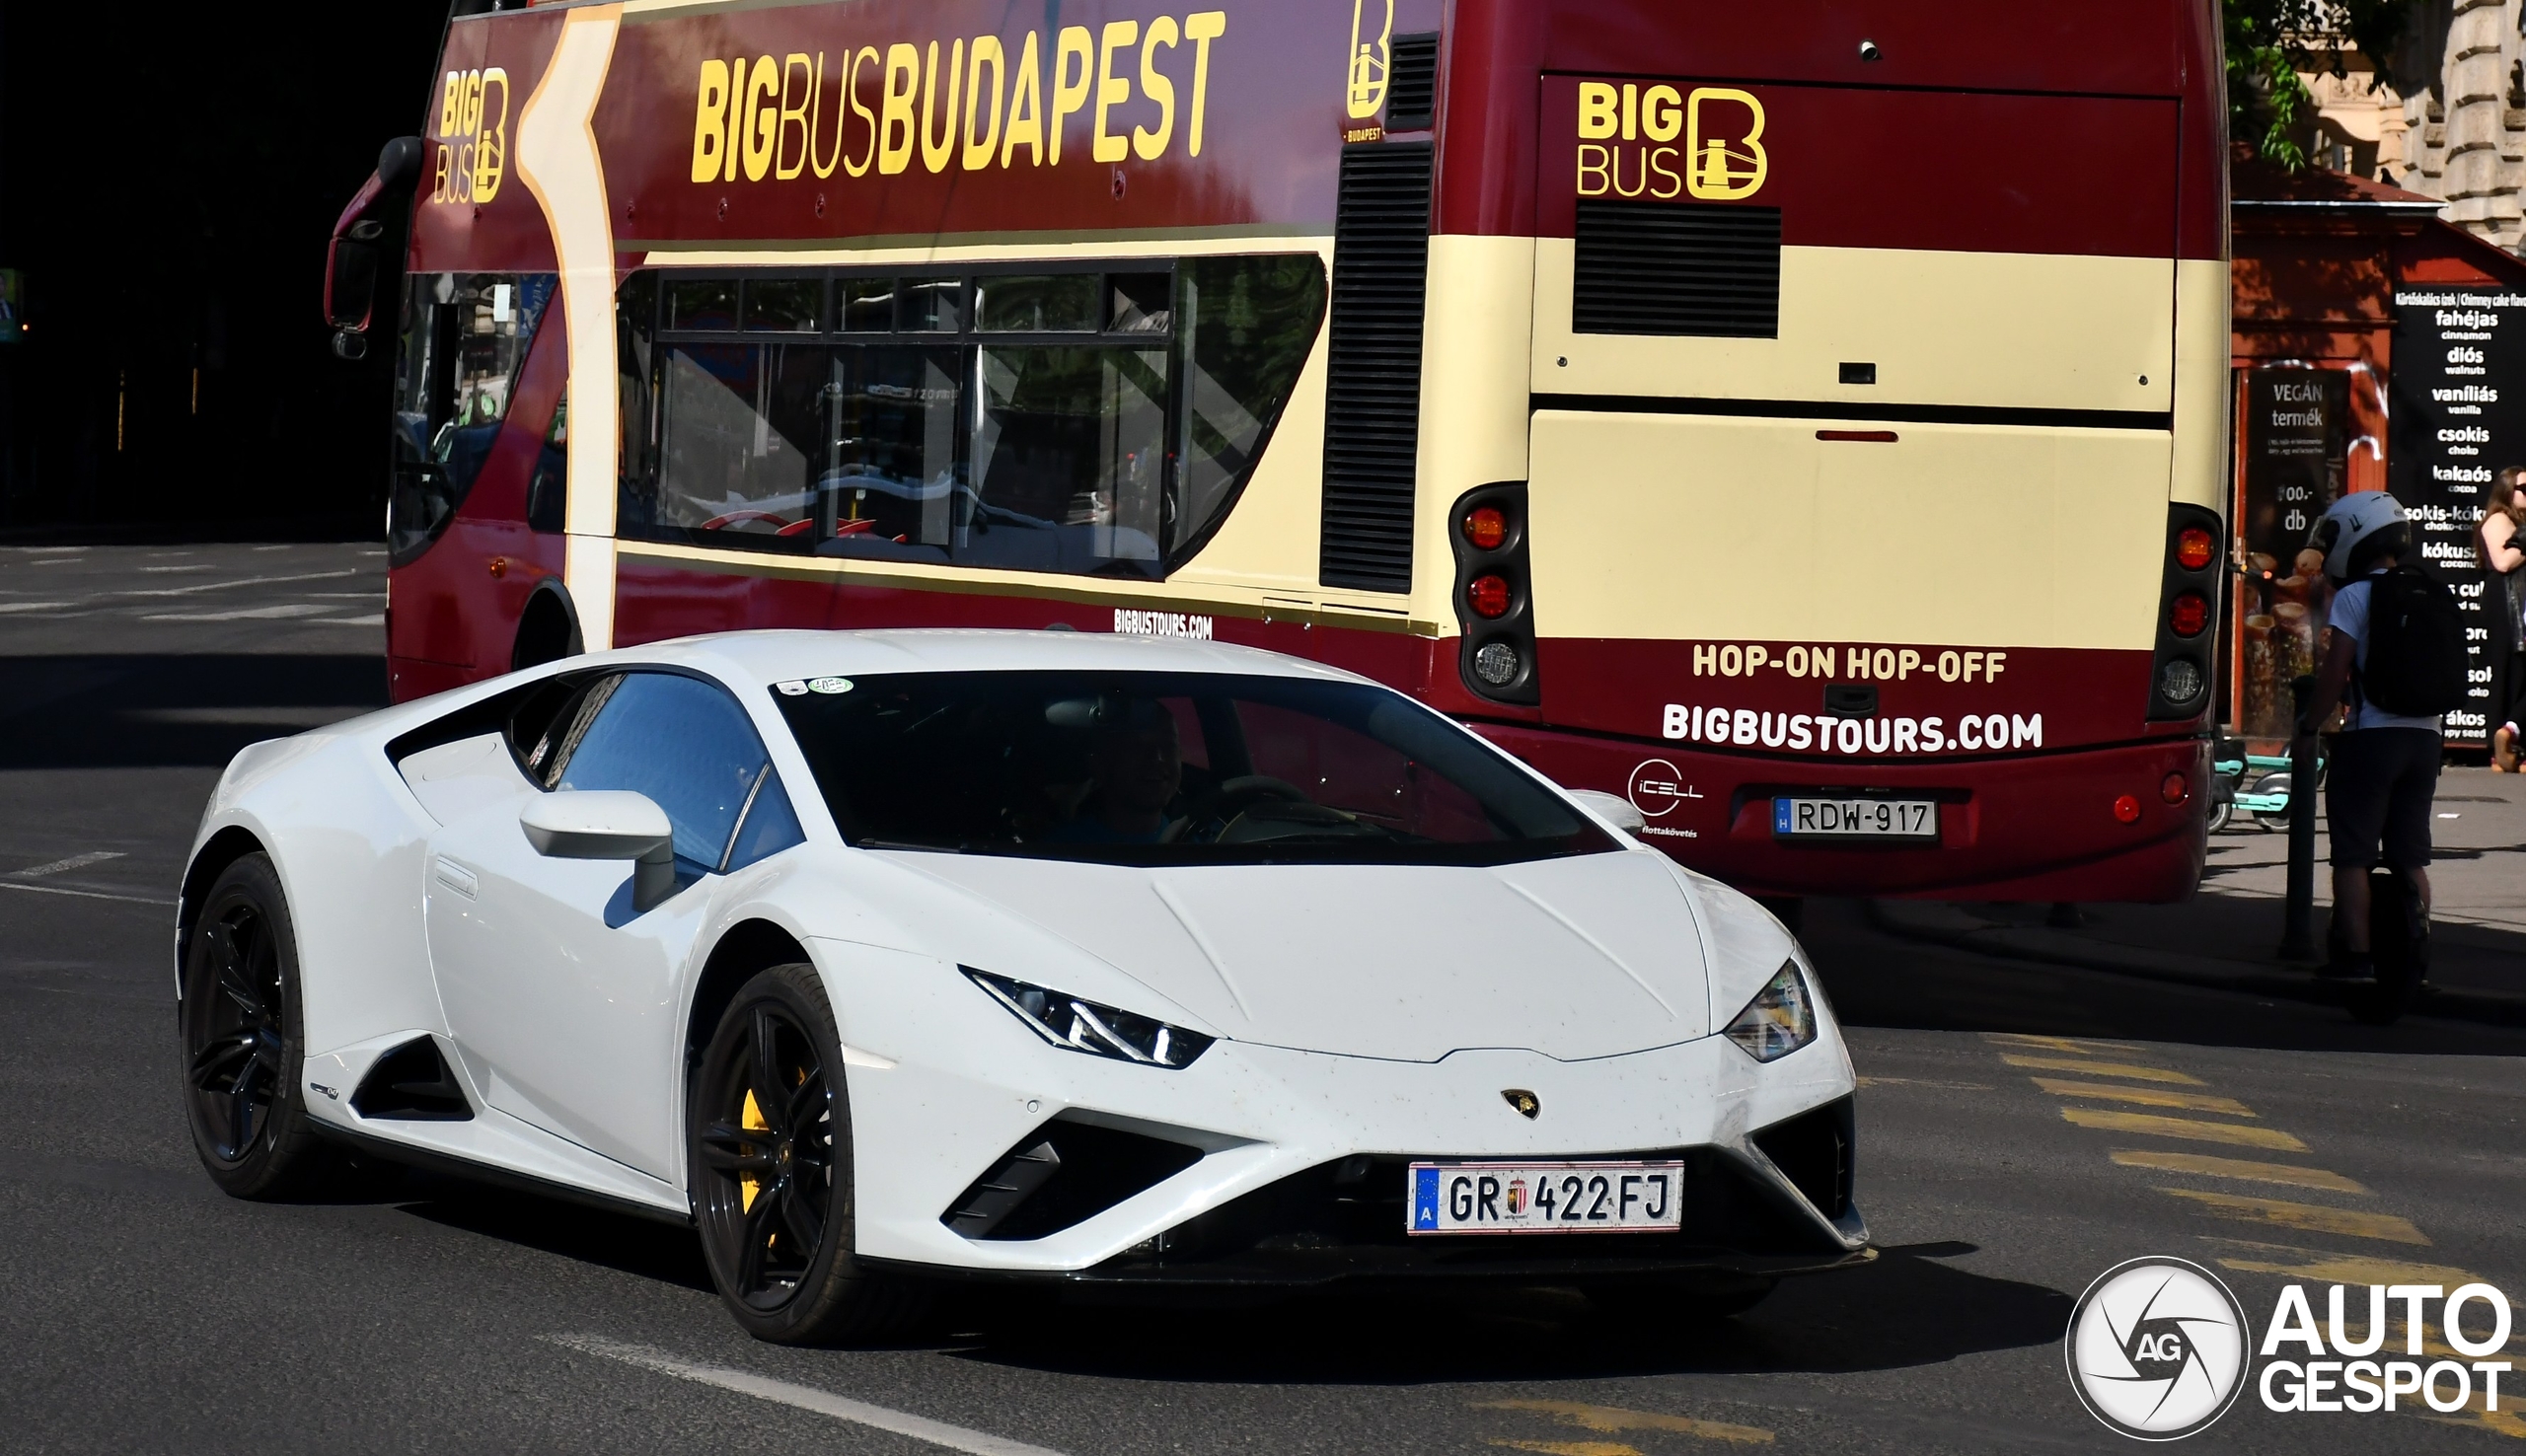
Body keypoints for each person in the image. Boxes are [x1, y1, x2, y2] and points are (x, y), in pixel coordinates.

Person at [2302, 492, 2440, 981]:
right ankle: (2416, 964)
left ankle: (2356, 959)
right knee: (2410, 860)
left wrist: (2308, 724)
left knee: (2353, 856)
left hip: (2372, 740)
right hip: (2426, 741)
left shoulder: (2356, 597)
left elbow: (2335, 674)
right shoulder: (2428, 589)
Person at [1044, 698, 1183, 844]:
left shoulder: (1194, 843)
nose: (1157, 757)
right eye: (1136, 746)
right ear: (1098, 763)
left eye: (1168, 744)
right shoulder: (1061, 850)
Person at [2481, 469, 2526, 770]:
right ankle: (2503, 743)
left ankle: (2513, 740)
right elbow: (2503, 561)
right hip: (2508, 603)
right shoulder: (2499, 519)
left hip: (2523, 602)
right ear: (2507, 489)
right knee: (2508, 670)